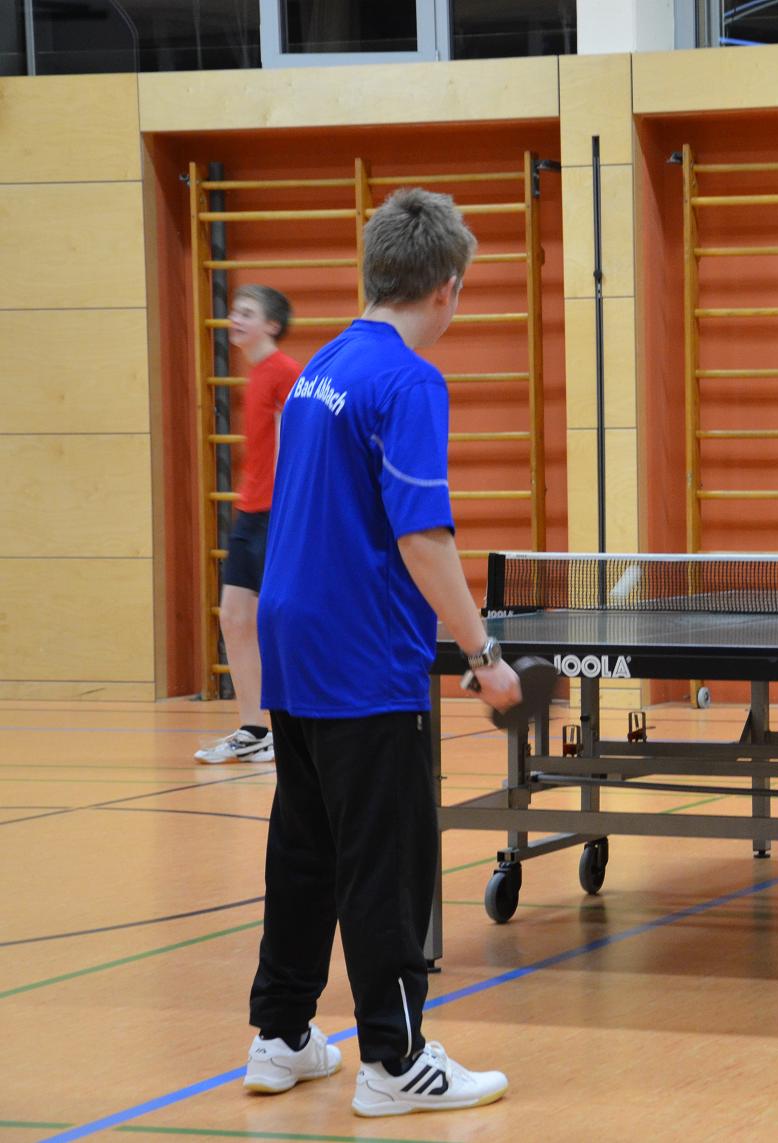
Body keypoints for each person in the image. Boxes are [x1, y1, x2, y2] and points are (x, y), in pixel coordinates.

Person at [244, 188, 520, 1116]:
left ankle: (282, 1033)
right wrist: (482, 652)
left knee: (307, 845)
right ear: (447, 288)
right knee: (385, 858)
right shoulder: (409, 381)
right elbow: (422, 537)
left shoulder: (321, 364)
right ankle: (394, 1060)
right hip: (360, 654)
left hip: (292, 637)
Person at [195, 286, 300, 765]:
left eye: (246, 313)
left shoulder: (286, 373)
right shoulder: (258, 374)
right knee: (235, 618)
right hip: (251, 511)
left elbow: (305, 443)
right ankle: (254, 729)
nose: (234, 319)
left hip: (277, 515)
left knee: (281, 622)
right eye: (234, 311)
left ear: (271, 325)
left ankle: (294, 727)